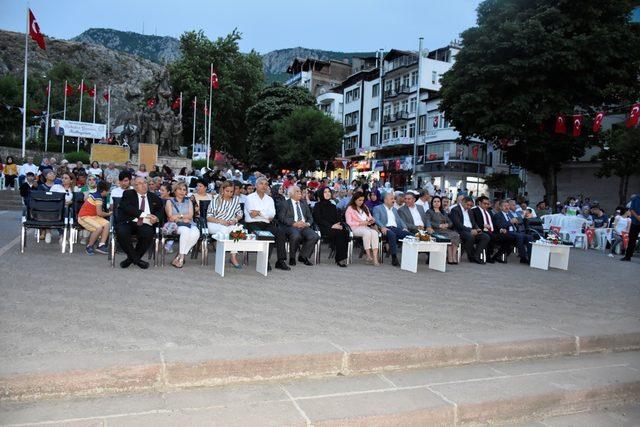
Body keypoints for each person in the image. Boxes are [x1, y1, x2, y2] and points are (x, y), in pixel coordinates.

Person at [115, 176, 163, 269]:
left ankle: (130, 259)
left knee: (148, 233)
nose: (143, 185)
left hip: (146, 223)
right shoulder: (128, 194)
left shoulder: (154, 197)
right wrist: (145, 215)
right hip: (129, 221)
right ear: (135, 186)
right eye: (140, 183)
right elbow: (127, 208)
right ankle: (137, 260)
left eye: (145, 183)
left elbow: (160, 210)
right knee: (121, 231)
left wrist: (156, 218)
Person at [244, 177, 288, 270]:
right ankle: (265, 261)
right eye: (261, 183)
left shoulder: (269, 199)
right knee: (267, 236)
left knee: (280, 233)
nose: (264, 186)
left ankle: (280, 261)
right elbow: (252, 214)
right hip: (253, 224)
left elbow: (272, 215)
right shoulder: (249, 198)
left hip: (267, 224)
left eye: (266, 184)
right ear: (256, 185)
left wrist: (259, 212)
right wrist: (264, 214)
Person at [277, 186, 319, 266]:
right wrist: (294, 223)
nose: (300, 193)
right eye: (297, 191)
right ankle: (292, 257)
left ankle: (303, 256)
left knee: (314, 236)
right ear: (291, 194)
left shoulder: (304, 203)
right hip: (291, 226)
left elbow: (310, 217)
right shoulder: (285, 203)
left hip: (304, 226)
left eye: (300, 191)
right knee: (296, 235)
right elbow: (282, 217)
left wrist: (307, 224)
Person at [206, 181, 243, 268]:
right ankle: (221, 257)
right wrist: (221, 221)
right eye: (227, 191)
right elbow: (209, 217)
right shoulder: (215, 199)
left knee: (238, 231)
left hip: (229, 224)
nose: (229, 193)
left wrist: (235, 220)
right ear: (222, 189)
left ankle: (233, 256)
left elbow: (240, 213)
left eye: (231, 191)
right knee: (224, 231)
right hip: (215, 223)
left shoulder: (236, 199)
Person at [164, 182, 200, 268]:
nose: (182, 191)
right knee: (186, 231)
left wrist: (178, 216)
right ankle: (182, 258)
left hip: (189, 223)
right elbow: (170, 216)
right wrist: (183, 217)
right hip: (174, 225)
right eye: (179, 189)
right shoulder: (170, 201)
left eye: (184, 190)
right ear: (175, 190)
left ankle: (179, 254)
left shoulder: (189, 201)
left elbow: (191, 215)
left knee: (196, 233)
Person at [313, 188, 349, 267]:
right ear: (321, 194)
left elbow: (338, 218)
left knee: (344, 231)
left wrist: (339, 224)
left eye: (329, 191)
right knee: (340, 233)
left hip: (334, 227)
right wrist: (331, 226)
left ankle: (341, 257)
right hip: (323, 228)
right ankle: (340, 259)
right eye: (325, 192)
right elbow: (318, 219)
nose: (328, 193)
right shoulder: (317, 205)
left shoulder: (333, 206)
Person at [373, 192, 410, 267]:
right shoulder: (378, 208)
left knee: (410, 235)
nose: (394, 200)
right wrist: (382, 226)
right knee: (392, 234)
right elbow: (376, 219)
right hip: (385, 228)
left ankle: (409, 258)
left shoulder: (394, 210)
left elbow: (399, 220)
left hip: (396, 228)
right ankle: (394, 258)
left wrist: (405, 227)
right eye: (392, 199)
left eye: (394, 199)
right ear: (385, 200)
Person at [472, 196, 513, 263]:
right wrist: (483, 225)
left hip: (493, 231)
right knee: (491, 237)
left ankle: (496, 256)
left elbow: (494, 224)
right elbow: (473, 222)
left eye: (488, 204)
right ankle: (487, 257)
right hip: (483, 230)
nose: (486, 205)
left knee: (509, 237)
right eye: (484, 203)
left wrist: (501, 229)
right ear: (479, 203)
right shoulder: (474, 211)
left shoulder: (489, 212)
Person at [449, 196, 489, 264]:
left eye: (471, 205)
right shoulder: (455, 210)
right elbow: (458, 224)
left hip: (471, 230)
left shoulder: (470, 211)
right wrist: (470, 230)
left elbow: (473, 222)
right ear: (462, 202)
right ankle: (471, 256)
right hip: (460, 230)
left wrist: (477, 228)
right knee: (470, 237)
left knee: (485, 237)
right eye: (467, 205)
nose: (469, 207)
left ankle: (476, 256)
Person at [345, 191, 380, 266]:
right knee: (367, 233)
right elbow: (348, 222)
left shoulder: (365, 207)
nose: (361, 202)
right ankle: (368, 255)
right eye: (359, 200)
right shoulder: (350, 209)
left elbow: (370, 217)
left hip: (365, 227)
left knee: (374, 233)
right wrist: (361, 223)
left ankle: (375, 257)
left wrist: (372, 220)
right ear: (355, 200)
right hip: (354, 228)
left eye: (363, 200)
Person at [493, 199, 533, 264]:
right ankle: (523, 258)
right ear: (500, 207)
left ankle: (530, 258)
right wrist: (510, 222)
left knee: (529, 237)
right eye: (505, 206)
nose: (507, 207)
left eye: (508, 205)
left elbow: (516, 223)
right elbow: (499, 226)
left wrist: (516, 223)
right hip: (506, 233)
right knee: (519, 236)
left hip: (514, 232)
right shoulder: (498, 215)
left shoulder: (509, 214)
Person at [78, 181, 111, 255]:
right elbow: (100, 213)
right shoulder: (98, 198)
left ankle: (101, 245)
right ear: (104, 191)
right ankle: (89, 246)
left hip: (93, 216)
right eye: (108, 190)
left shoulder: (96, 195)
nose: (109, 192)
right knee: (98, 228)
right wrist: (108, 214)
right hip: (83, 217)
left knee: (107, 224)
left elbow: (97, 213)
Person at [426, 196, 460, 264]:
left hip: (445, 230)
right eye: (434, 201)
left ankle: (453, 257)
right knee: (450, 236)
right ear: (432, 203)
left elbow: (450, 222)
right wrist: (439, 225)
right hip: (435, 230)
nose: (436, 203)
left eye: (438, 201)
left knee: (456, 235)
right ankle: (450, 257)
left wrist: (447, 225)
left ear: (440, 203)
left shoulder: (443, 212)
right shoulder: (429, 211)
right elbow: (428, 221)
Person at [621, 194, 640, 261]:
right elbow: (631, 209)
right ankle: (628, 256)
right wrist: (637, 217)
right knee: (632, 240)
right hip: (635, 222)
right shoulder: (635, 199)